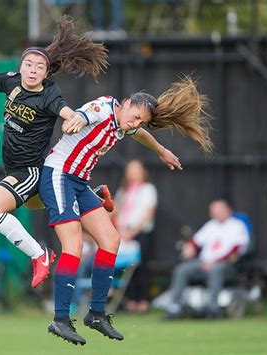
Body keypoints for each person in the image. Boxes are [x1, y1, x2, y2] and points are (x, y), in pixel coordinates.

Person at [40, 75, 213, 345]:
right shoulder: (102, 108)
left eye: (140, 121)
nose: (135, 123)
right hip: (58, 174)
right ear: (127, 103)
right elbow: (85, 115)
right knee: (73, 244)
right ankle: (60, 319)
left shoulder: (125, 124)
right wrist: (76, 120)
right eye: (134, 116)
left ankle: (96, 314)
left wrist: (161, 150)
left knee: (111, 240)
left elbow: (140, 133)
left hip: (79, 181)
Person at [0, 15, 109, 289]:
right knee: (44, 203)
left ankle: (40, 254)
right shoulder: (12, 84)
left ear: (46, 73)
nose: (33, 70)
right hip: (14, 169)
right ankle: (93, 195)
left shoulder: (49, 95)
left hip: (29, 171)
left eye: (39, 67)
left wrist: (75, 117)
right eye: (29, 64)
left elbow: (64, 110)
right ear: (21, 67)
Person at [161, 199, 250, 320]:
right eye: (214, 210)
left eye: (219, 210)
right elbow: (196, 241)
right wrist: (190, 247)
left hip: (227, 265)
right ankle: (175, 308)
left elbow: (236, 249)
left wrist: (215, 262)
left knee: (215, 270)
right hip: (203, 263)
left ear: (228, 210)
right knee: (182, 269)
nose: (216, 213)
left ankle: (213, 309)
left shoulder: (237, 226)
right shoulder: (211, 225)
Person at [113, 159, 157, 313]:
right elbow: (116, 211)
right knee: (127, 268)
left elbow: (148, 213)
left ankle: (143, 299)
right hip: (123, 233)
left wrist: (133, 232)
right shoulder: (123, 191)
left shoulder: (148, 189)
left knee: (141, 267)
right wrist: (120, 231)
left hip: (140, 233)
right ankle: (131, 299)